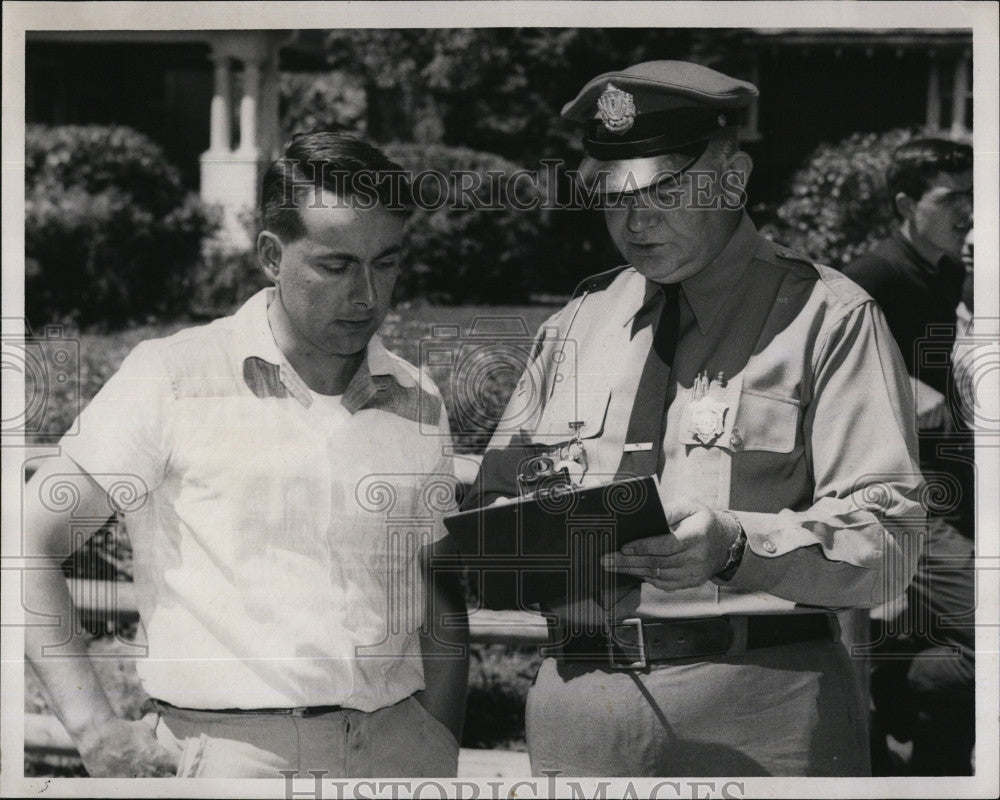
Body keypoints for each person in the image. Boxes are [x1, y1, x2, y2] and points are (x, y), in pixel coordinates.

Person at [462, 61, 925, 777]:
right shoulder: (578, 324)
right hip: (581, 705)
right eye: (614, 194)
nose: (636, 219)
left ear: (733, 180)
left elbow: (889, 541)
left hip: (761, 706)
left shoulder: (828, 319)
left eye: (665, 189)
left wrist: (737, 545)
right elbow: (498, 493)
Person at [24, 132, 468, 778]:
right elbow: (25, 543)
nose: (368, 296)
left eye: (388, 263)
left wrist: (437, 741)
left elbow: (440, 590)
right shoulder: (171, 378)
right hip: (231, 762)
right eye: (336, 266)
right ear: (270, 255)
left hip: (398, 755)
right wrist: (94, 728)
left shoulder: (418, 398)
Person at [843, 139, 975, 775]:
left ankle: (925, 757)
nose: (969, 211)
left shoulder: (949, 270)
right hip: (908, 502)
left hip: (960, 490)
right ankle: (890, 679)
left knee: (954, 653)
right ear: (905, 204)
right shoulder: (875, 275)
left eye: (974, 195)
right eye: (953, 198)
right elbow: (821, 373)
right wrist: (903, 387)